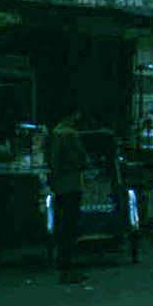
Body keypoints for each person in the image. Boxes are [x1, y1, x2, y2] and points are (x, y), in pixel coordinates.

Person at [47, 111, 89, 284]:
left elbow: (53, 161)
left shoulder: (55, 134)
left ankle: (63, 265)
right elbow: (83, 159)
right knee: (70, 226)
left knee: (62, 224)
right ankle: (68, 268)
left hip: (60, 186)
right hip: (72, 184)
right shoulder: (70, 135)